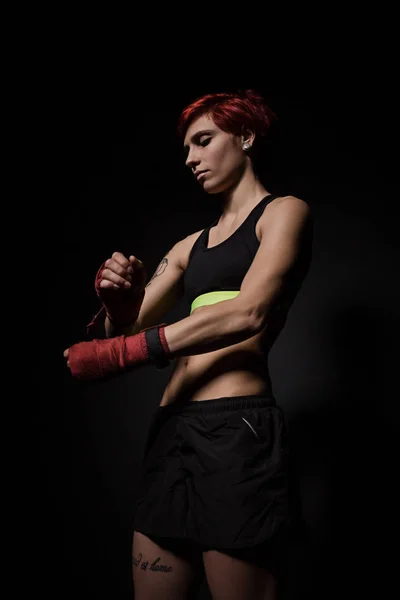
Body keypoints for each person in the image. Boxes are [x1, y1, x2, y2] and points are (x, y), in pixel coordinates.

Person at [64, 89, 313, 600]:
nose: (191, 158)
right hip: (171, 431)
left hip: (236, 433)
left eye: (203, 141)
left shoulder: (283, 213)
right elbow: (122, 331)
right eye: (185, 150)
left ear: (245, 137)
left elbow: (249, 311)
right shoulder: (188, 247)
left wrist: (124, 352)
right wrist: (117, 301)